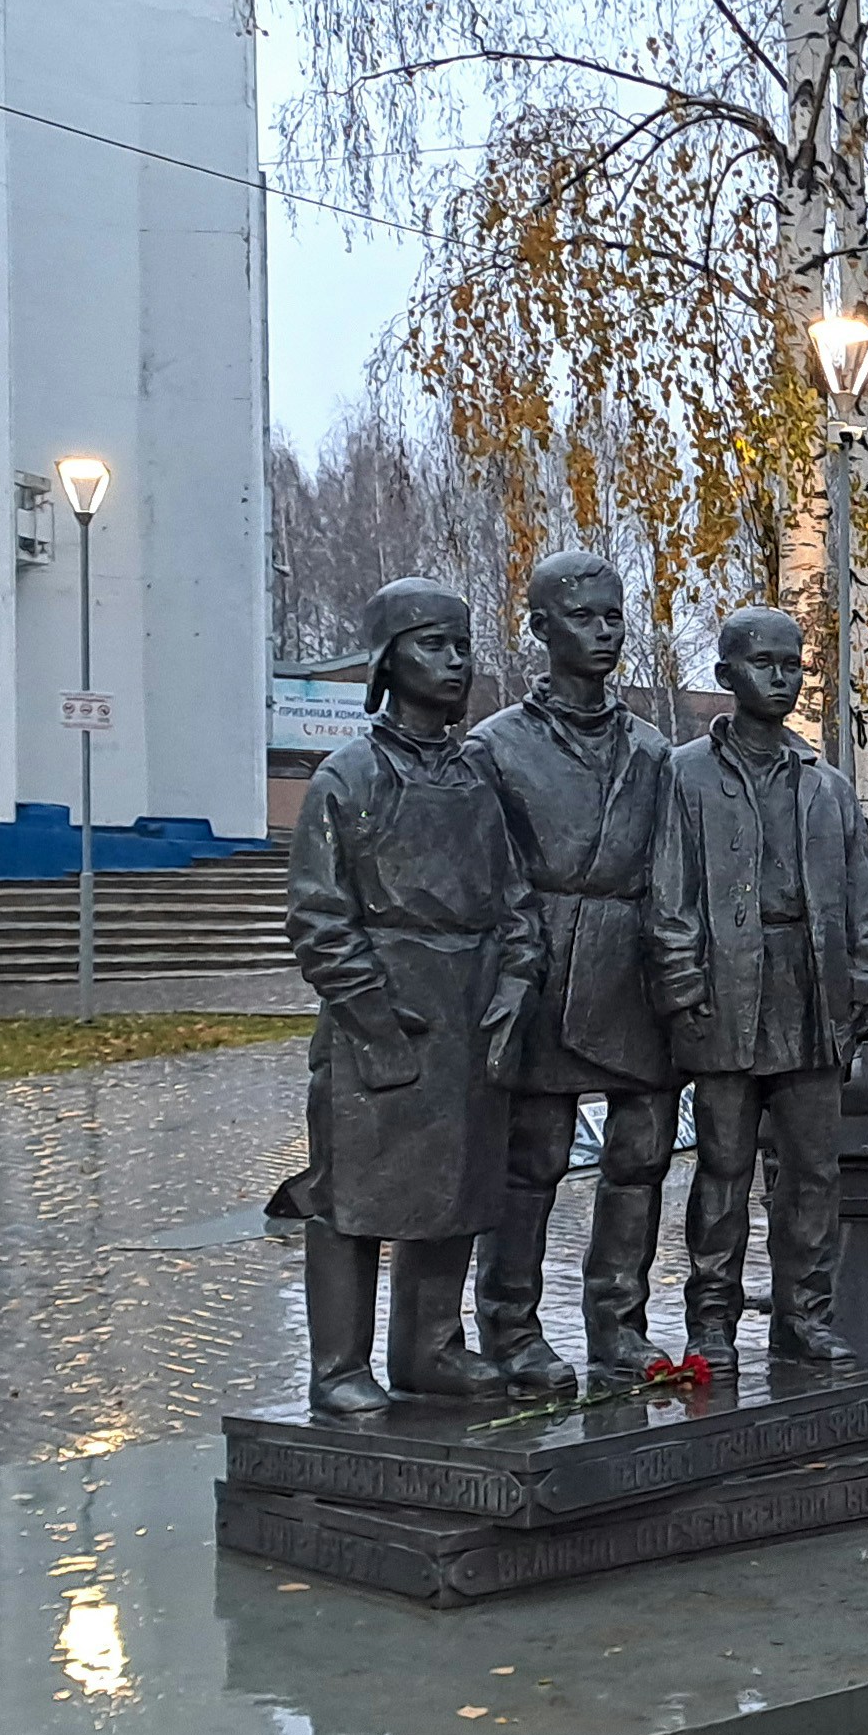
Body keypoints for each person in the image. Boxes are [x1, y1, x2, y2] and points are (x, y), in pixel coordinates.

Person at [282, 578, 542, 1414]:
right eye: (434, 644)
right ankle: (338, 1368)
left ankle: (429, 1349)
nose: (456, 661)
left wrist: (509, 991)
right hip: (384, 1018)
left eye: (463, 645)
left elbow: (517, 905)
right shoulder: (347, 777)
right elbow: (320, 921)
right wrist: (374, 1016)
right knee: (352, 1193)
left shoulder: (476, 780)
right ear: (388, 659)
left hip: (470, 1014)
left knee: (458, 1186)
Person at [646, 607, 868, 1371]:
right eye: (765, 664)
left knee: (815, 1172)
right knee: (723, 1166)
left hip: (810, 996)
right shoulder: (684, 775)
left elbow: (867, 904)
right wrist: (685, 992)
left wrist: (863, 987)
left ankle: (804, 1315)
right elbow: (667, 897)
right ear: (726, 677)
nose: (782, 678)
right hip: (727, 995)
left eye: (793, 665)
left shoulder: (826, 787)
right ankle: (712, 1322)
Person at [468, 550, 678, 1389]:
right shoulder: (498, 748)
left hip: (633, 960)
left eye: (615, 615)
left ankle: (617, 1324)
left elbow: (674, 865)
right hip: (546, 960)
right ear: (541, 628)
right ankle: (510, 1331)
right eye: (585, 616)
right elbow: (491, 873)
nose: (604, 632)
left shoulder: (655, 750)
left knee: (642, 1149)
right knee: (535, 1156)